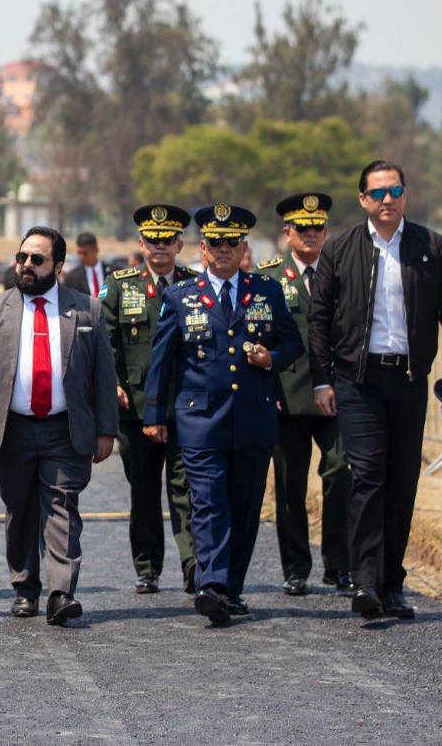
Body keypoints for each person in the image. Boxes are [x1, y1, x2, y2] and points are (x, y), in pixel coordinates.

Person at [309, 160, 442, 621]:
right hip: (357, 381)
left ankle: (392, 583)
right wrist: (322, 379)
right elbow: (318, 320)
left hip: (407, 380)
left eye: (395, 190)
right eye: (377, 193)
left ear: (405, 195)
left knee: (402, 481)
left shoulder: (430, 245)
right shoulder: (340, 249)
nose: (387, 199)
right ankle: (365, 583)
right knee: (367, 477)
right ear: (362, 199)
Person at [142, 205, 302, 626]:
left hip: (253, 419)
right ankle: (211, 585)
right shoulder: (181, 296)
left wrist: (272, 358)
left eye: (232, 242)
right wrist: (154, 415)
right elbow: (161, 362)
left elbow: (293, 343)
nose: (224, 249)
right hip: (200, 421)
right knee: (208, 503)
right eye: (216, 242)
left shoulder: (266, 291)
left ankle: (230, 589)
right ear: (203, 247)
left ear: (243, 247)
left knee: (245, 507)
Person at [0, 226, 118, 626]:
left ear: (58, 267)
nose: (25, 265)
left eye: (37, 259)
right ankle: (24, 587)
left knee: (62, 506)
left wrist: (106, 430)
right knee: (21, 509)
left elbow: (103, 374)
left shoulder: (87, 310)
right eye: (22, 256)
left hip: (66, 430)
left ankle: (61, 592)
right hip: (11, 429)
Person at [257, 193, 353, 596]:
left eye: (317, 228)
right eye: (302, 228)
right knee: (290, 486)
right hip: (288, 396)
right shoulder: (269, 277)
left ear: (326, 232)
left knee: (341, 472)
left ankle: (339, 565)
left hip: (336, 394)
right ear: (287, 233)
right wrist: (268, 387)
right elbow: (260, 338)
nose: (310, 235)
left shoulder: (343, 272)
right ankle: (296, 568)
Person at [100, 205, 197, 595]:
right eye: (152, 240)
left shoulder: (194, 285)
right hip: (135, 407)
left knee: (186, 489)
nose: (160, 247)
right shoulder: (121, 285)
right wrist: (112, 385)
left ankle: (193, 563)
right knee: (143, 492)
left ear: (179, 244)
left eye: (167, 240)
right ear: (141, 243)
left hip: (185, 405)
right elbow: (104, 343)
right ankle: (147, 567)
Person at [63, 232, 108, 297]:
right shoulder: (71, 278)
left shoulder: (113, 272)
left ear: (96, 249)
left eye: (85, 253)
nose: (81, 257)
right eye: (79, 253)